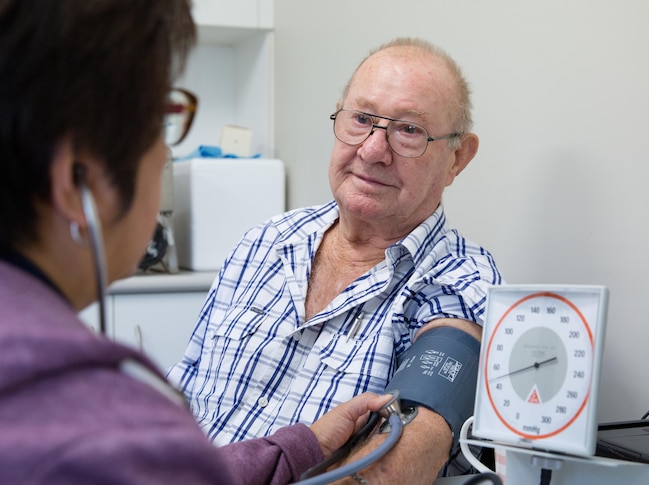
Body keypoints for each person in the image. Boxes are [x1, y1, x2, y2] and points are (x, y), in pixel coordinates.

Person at [0, 1, 393, 484]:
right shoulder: (109, 436)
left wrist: (298, 447)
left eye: (407, 131)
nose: (165, 156)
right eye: (161, 119)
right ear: (78, 179)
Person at [169, 37, 504, 484]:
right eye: (362, 119)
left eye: (408, 131)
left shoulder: (463, 287)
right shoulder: (265, 242)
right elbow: (180, 396)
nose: (371, 150)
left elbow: (390, 470)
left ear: (457, 157)